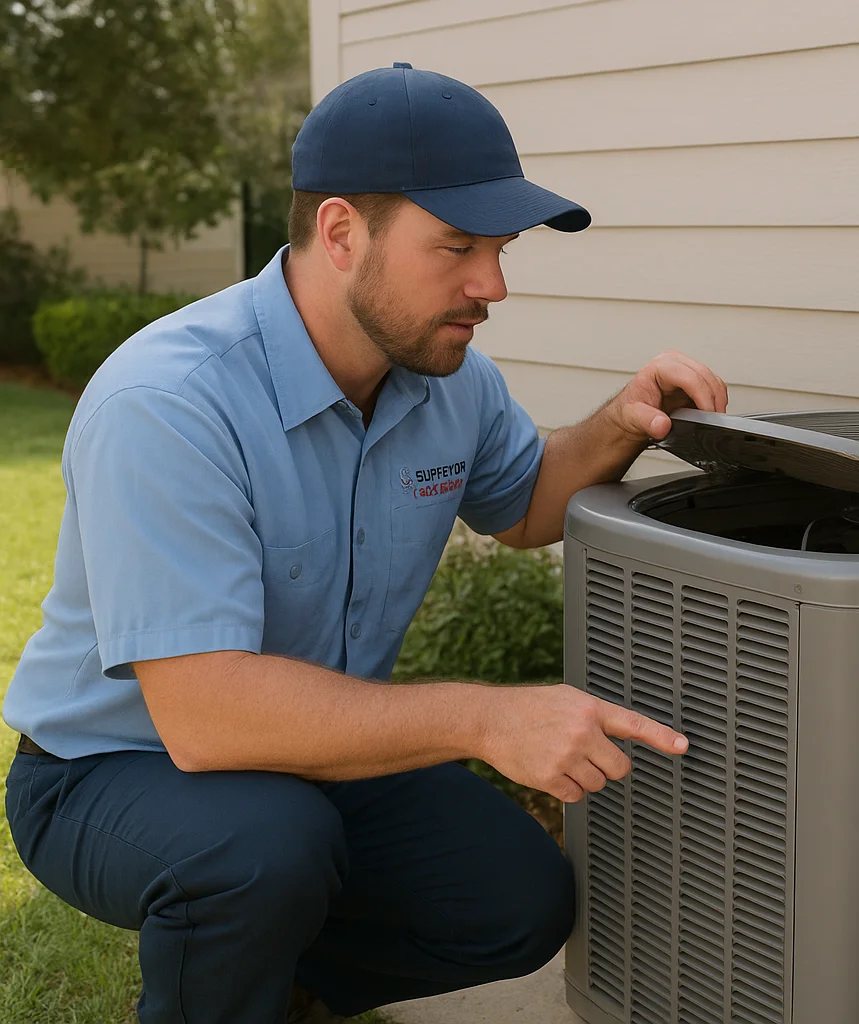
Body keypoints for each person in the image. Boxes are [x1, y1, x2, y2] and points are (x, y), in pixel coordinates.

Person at [3, 63, 726, 1024]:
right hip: (111, 769)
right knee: (261, 851)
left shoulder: (446, 378)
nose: (493, 285)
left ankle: (279, 972)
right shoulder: (170, 404)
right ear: (342, 233)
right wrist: (485, 719)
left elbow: (522, 507)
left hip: (309, 756)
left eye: (501, 248)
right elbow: (208, 718)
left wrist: (622, 423)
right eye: (458, 247)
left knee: (519, 898)